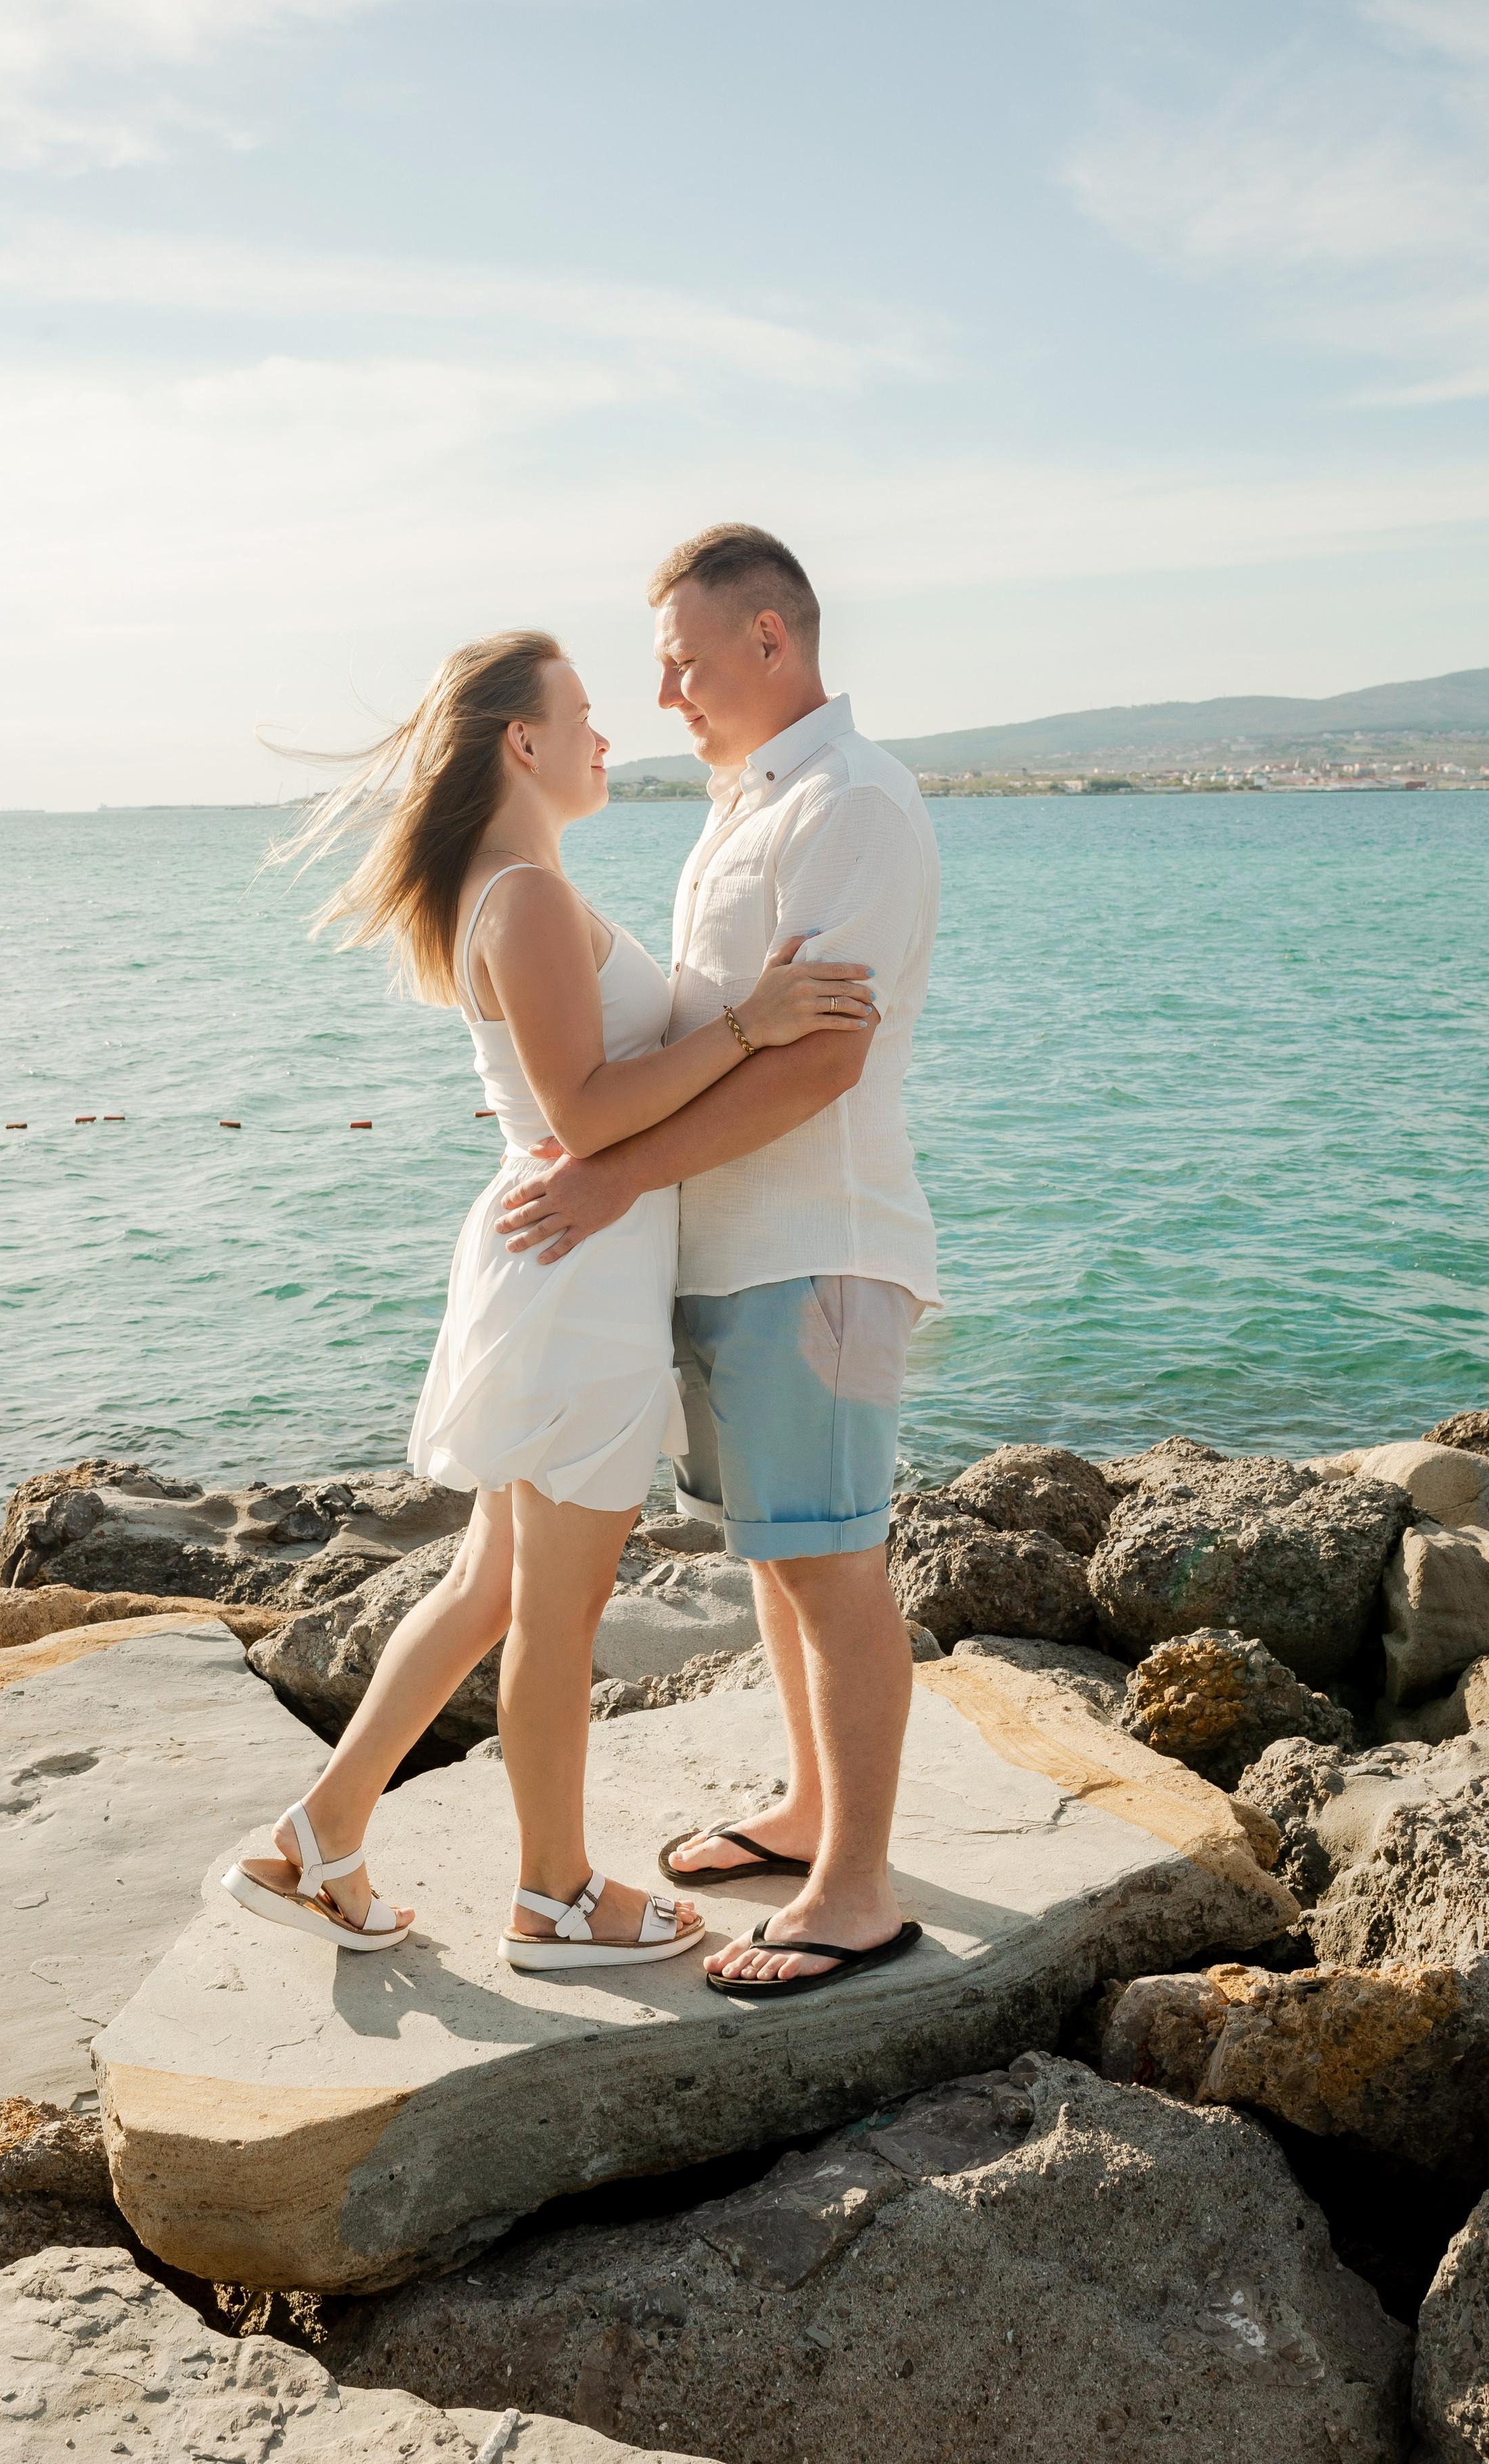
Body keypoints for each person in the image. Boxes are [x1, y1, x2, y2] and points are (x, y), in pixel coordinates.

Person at [223, 627, 873, 1970]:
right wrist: (748, 1024)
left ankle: (317, 1836)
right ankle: (556, 1899)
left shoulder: (510, 884)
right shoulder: (517, 892)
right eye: (579, 715)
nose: (603, 735)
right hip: (576, 1277)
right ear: (518, 741)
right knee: (549, 1610)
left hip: (557, 1261)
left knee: (488, 1587)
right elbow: (582, 1112)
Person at [496, 526, 941, 1998]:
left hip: (813, 1251)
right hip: (723, 1248)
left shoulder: (853, 807)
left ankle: (858, 1889)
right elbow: (710, 1032)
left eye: (684, 661)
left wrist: (608, 1176)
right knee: (775, 1557)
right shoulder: (743, 805)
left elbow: (817, 1065)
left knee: (831, 1562)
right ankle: (813, 1812)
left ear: (770, 639)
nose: (668, 691)